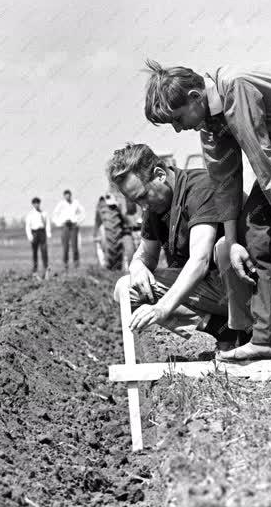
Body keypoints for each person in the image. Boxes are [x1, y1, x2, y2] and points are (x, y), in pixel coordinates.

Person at [144, 56, 271, 381]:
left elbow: (259, 151)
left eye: (177, 118)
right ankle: (265, 340)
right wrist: (230, 240)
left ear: (194, 98)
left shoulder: (235, 89)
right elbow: (224, 182)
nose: (177, 128)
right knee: (254, 231)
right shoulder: (210, 123)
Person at [109, 143, 254, 352]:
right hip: (215, 289)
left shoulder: (201, 188)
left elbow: (200, 261)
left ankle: (249, 333)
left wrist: (162, 308)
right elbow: (146, 254)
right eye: (135, 200)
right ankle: (221, 329)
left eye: (142, 196)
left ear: (159, 174)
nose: (142, 206)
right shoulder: (155, 205)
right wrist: (137, 266)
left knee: (224, 248)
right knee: (125, 289)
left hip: (251, 286)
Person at [52, 189, 85, 271]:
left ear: (71, 195)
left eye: (69, 195)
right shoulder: (61, 204)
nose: (67, 196)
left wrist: (78, 221)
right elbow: (54, 214)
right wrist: (59, 223)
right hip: (65, 226)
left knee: (75, 247)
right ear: (64, 196)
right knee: (65, 247)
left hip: (74, 226)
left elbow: (83, 212)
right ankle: (65, 266)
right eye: (66, 195)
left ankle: (76, 265)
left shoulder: (75, 202)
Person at [25, 196, 51, 279]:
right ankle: (35, 270)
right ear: (33, 204)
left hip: (42, 232)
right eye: (35, 203)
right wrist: (30, 236)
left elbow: (47, 224)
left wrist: (48, 233)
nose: (36, 205)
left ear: (39, 204)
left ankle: (46, 269)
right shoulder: (30, 214)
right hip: (34, 233)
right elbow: (27, 226)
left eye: (38, 203)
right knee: (35, 253)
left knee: (44, 251)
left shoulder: (44, 213)